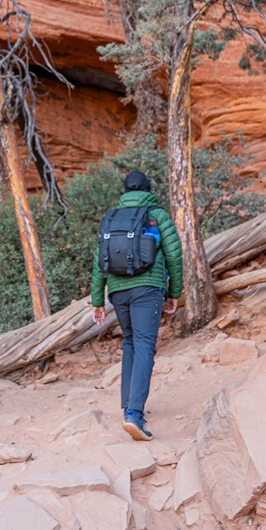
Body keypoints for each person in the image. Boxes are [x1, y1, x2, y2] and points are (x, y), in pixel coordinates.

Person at [91, 170, 183, 441]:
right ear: (148, 188)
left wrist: (98, 300)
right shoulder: (158, 215)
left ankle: (128, 407)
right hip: (147, 289)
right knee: (144, 345)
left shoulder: (111, 218)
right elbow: (174, 256)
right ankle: (134, 415)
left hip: (118, 290)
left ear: (125, 191)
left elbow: (98, 262)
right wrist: (174, 292)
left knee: (130, 342)